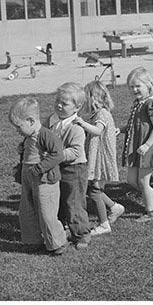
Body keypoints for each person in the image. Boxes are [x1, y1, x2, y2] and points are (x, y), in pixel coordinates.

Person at [8, 96, 68, 255]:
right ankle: (33, 240)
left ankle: (57, 242)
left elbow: (58, 154)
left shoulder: (45, 135)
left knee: (46, 212)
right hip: (29, 179)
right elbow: (29, 153)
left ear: (31, 121)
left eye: (19, 126)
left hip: (44, 180)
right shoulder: (29, 137)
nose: (17, 131)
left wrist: (40, 167)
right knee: (27, 210)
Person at [46, 82, 93, 249]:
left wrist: (54, 155)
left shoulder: (76, 127)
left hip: (74, 169)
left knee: (74, 201)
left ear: (77, 107)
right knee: (57, 200)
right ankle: (62, 228)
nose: (59, 105)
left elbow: (74, 152)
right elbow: (42, 137)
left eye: (64, 103)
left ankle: (81, 234)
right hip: (56, 167)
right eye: (57, 101)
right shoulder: (52, 120)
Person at [74, 80, 123, 235]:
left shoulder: (101, 113)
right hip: (98, 157)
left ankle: (104, 224)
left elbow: (97, 130)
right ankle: (115, 208)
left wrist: (82, 123)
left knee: (94, 190)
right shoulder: (98, 113)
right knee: (95, 189)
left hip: (101, 159)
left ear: (93, 98)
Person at [121, 66, 153, 221]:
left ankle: (150, 212)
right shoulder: (137, 103)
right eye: (131, 87)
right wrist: (121, 129)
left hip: (147, 147)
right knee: (131, 180)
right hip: (136, 147)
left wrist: (147, 145)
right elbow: (135, 125)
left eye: (138, 86)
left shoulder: (150, 104)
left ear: (148, 85)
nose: (135, 89)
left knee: (143, 181)